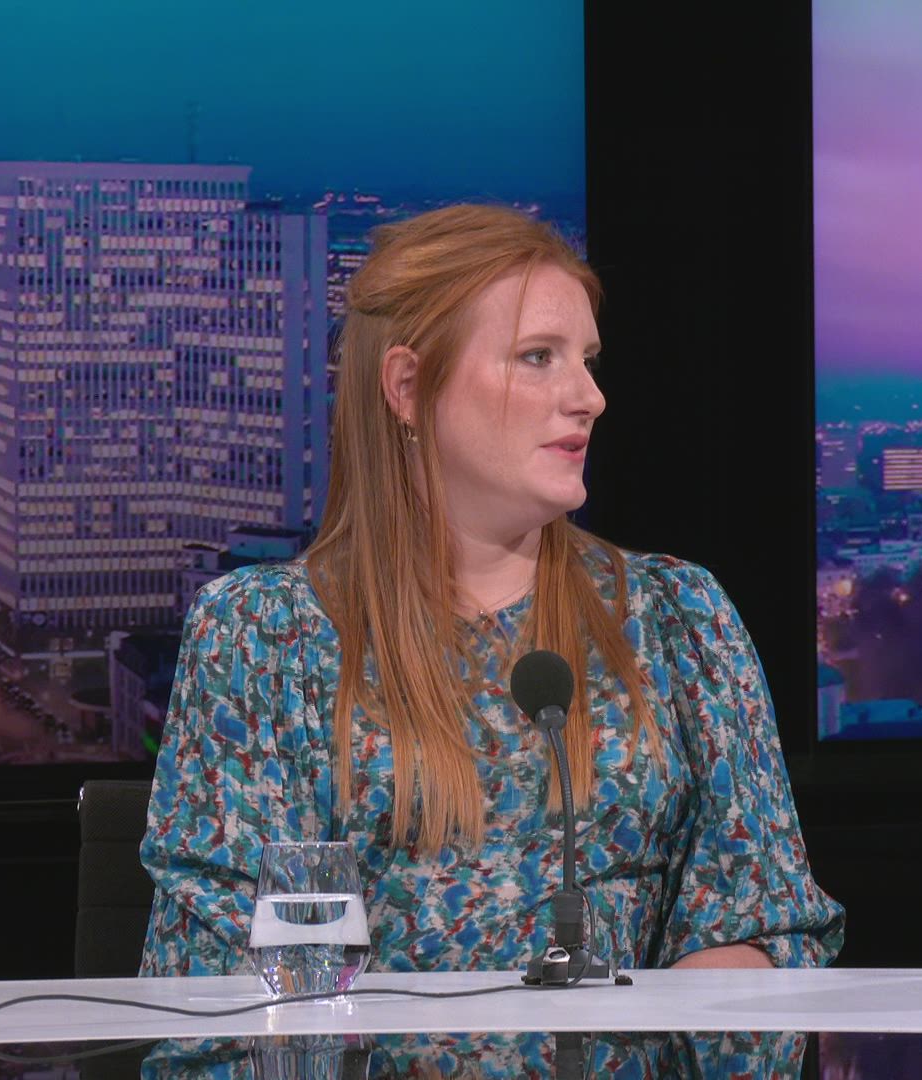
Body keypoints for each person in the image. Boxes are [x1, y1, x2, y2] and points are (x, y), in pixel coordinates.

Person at [140, 205, 842, 975]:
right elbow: (218, 976)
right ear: (408, 386)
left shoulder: (679, 618)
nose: (590, 397)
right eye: (538, 356)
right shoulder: (262, 635)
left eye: (587, 360)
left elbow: (762, 925)